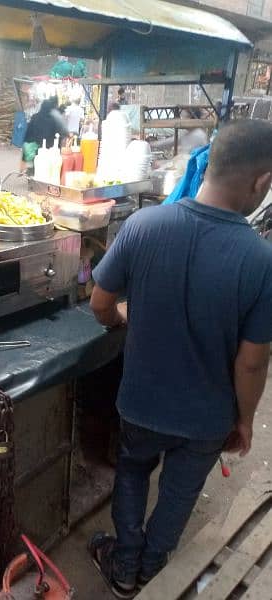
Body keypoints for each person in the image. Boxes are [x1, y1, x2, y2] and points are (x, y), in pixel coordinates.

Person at [88, 119, 272, 599]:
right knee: (179, 492)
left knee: (131, 471)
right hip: (207, 419)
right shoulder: (260, 260)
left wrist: (119, 323)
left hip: (142, 404)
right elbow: (252, 363)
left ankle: (124, 565)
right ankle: (153, 567)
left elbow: (100, 304)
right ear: (261, 182)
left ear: (206, 165)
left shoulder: (143, 226)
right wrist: (246, 420)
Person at [21, 97, 69, 173]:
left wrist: (26, 142)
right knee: (48, 170)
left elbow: (28, 131)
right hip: (51, 150)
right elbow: (58, 134)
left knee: (36, 166)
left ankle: (32, 179)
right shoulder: (53, 119)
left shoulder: (35, 117)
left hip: (36, 148)